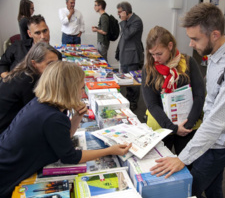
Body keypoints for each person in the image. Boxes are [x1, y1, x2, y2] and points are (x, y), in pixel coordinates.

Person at [150, 3, 225, 198]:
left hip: (222, 143)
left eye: (195, 39)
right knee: (214, 188)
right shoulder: (215, 56)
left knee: (187, 190)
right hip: (212, 138)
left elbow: (218, 119)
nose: (191, 44)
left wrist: (182, 158)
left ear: (215, 35)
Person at [0, 61, 131, 198]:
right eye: (81, 87)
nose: (83, 91)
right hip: (7, 176)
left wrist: (78, 116)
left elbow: (64, 137)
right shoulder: (52, 117)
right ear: (70, 90)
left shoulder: (43, 104)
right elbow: (70, 157)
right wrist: (110, 150)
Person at [141, 26, 205, 160]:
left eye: (159, 53)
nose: (155, 58)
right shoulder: (149, 69)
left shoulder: (188, 62)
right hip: (161, 127)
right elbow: (152, 104)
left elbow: (199, 96)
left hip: (188, 125)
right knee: (159, 164)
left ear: (170, 46)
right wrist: (173, 128)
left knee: (187, 164)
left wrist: (187, 125)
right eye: (152, 54)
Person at [0, 42, 60, 134]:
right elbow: (37, 115)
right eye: (50, 64)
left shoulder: (26, 72)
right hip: (5, 133)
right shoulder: (28, 81)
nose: (55, 69)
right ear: (34, 63)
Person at [116, 1, 143, 111]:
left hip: (132, 56)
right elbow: (122, 38)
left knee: (133, 81)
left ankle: (133, 102)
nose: (118, 15)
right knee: (126, 80)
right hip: (124, 55)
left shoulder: (136, 21)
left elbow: (127, 35)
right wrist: (118, 51)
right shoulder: (127, 20)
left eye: (119, 12)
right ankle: (128, 98)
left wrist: (122, 22)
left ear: (125, 12)